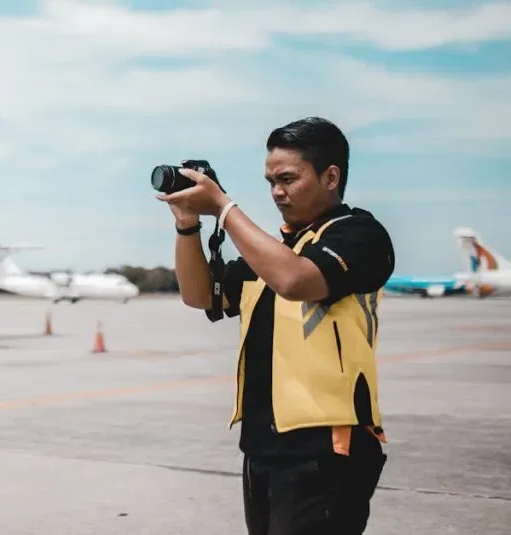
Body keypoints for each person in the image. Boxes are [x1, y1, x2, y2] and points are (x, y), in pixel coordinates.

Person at [157, 117, 394, 534]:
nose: (277, 192)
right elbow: (199, 294)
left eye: (288, 179)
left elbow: (296, 280)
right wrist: (187, 224)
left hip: (326, 448)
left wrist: (224, 208)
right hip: (263, 447)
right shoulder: (272, 252)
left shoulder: (360, 235)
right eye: (270, 182)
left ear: (331, 177)